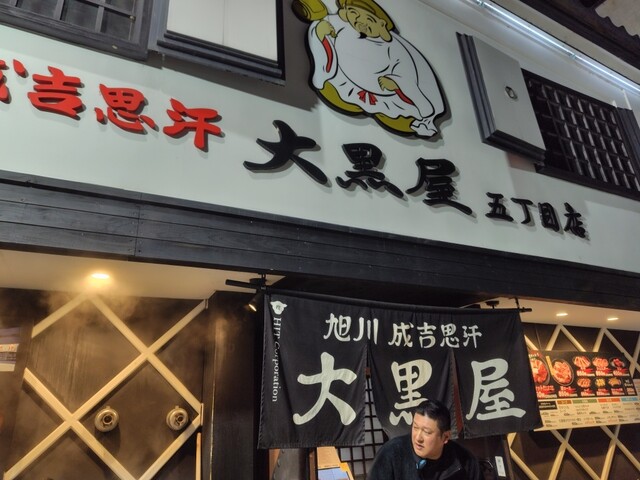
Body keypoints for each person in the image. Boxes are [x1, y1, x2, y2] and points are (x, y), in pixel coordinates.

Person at [297, 0, 446, 138]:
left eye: (369, 19)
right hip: (346, 82)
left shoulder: (396, 50)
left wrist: (396, 84)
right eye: (353, 14)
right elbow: (322, 28)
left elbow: (408, 80)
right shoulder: (341, 26)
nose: (360, 21)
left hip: (381, 95)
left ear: (381, 25)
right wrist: (320, 33)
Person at [368, 399, 482, 479]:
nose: (418, 438)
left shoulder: (465, 461)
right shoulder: (391, 454)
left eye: (427, 432)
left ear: (446, 437)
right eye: (415, 427)